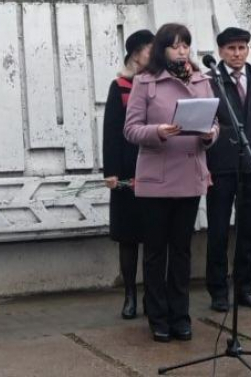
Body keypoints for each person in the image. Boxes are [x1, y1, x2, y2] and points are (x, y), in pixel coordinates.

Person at [124, 23, 218, 342]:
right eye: (175, 45)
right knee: (155, 252)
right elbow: (131, 129)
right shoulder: (145, 82)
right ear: (163, 49)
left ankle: (181, 315)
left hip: (190, 178)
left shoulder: (202, 80)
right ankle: (158, 316)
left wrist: (210, 135)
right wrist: (158, 132)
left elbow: (214, 122)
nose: (182, 51)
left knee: (181, 251)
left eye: (186, 45)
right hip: (156, 179)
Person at [205, 26, 251, 313]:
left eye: (242, 48)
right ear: (221, 51)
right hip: (221, 165)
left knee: (249, 231)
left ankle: (244, 288)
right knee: (219, 231)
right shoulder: (211, 81)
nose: (237, 54)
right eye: (231, 49)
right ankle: (218, 291)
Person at [102, 28, 154, 319]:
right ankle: (130, 295)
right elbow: (111, 132)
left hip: (154, 171)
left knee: (153, 237)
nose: (153, 54)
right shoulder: (120, 85)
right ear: (135, 54)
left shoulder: (161, 83)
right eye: (149, 49)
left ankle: (151, 294)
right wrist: (111, 172)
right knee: (128, 238)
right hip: (125, 173)